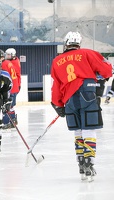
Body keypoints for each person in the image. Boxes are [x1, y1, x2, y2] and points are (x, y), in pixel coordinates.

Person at [50, 31, 112, 182]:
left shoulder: (57, 60)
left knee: (78, 131)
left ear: (66, 43)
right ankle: (90, 163)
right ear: (79, 43)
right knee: (89, 129)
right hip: (88, 94)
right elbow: (107, 71)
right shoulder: (88, 53)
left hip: (69, 98)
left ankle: (81, 163)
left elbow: (56, 85)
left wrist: (57, 104)